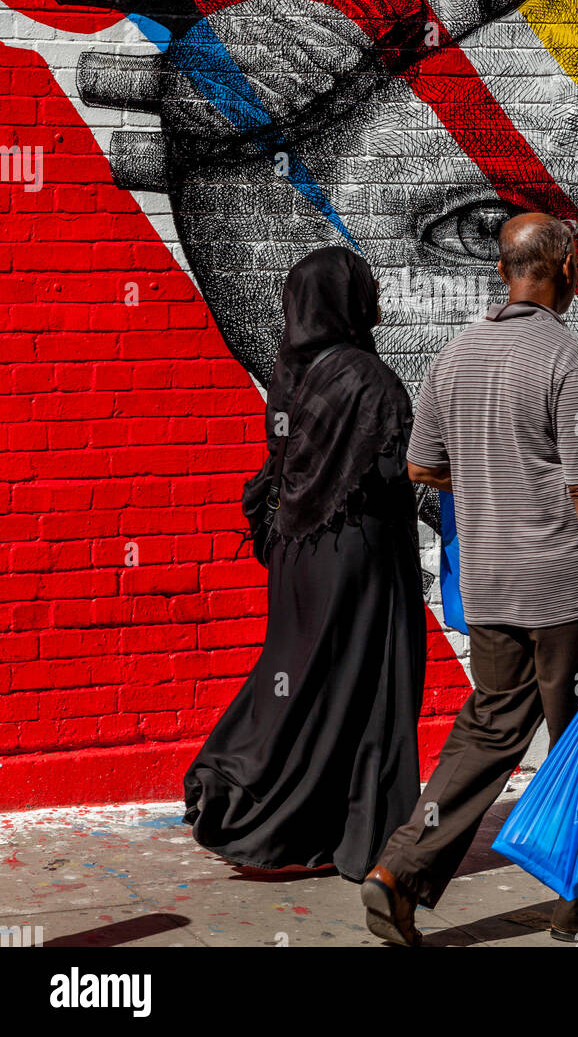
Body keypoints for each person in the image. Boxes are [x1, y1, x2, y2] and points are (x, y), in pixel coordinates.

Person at [361, 212, 578, 946]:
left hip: (493, 586)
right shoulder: (570, 358)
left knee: (490, 729)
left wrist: (491, 475)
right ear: (565, 269)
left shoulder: (454, 356)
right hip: (567, 594)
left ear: (502, 272)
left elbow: (421, 466)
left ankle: (400, 871)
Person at [183, 247, 428, 880]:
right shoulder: (365, 377)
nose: (375, 301)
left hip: (295, 554)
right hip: (360, 554)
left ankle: (245, 788)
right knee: (367, 686)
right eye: (366, 290)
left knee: (301, 675)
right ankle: (356, 831)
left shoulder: (290, 374)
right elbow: (396, 470)